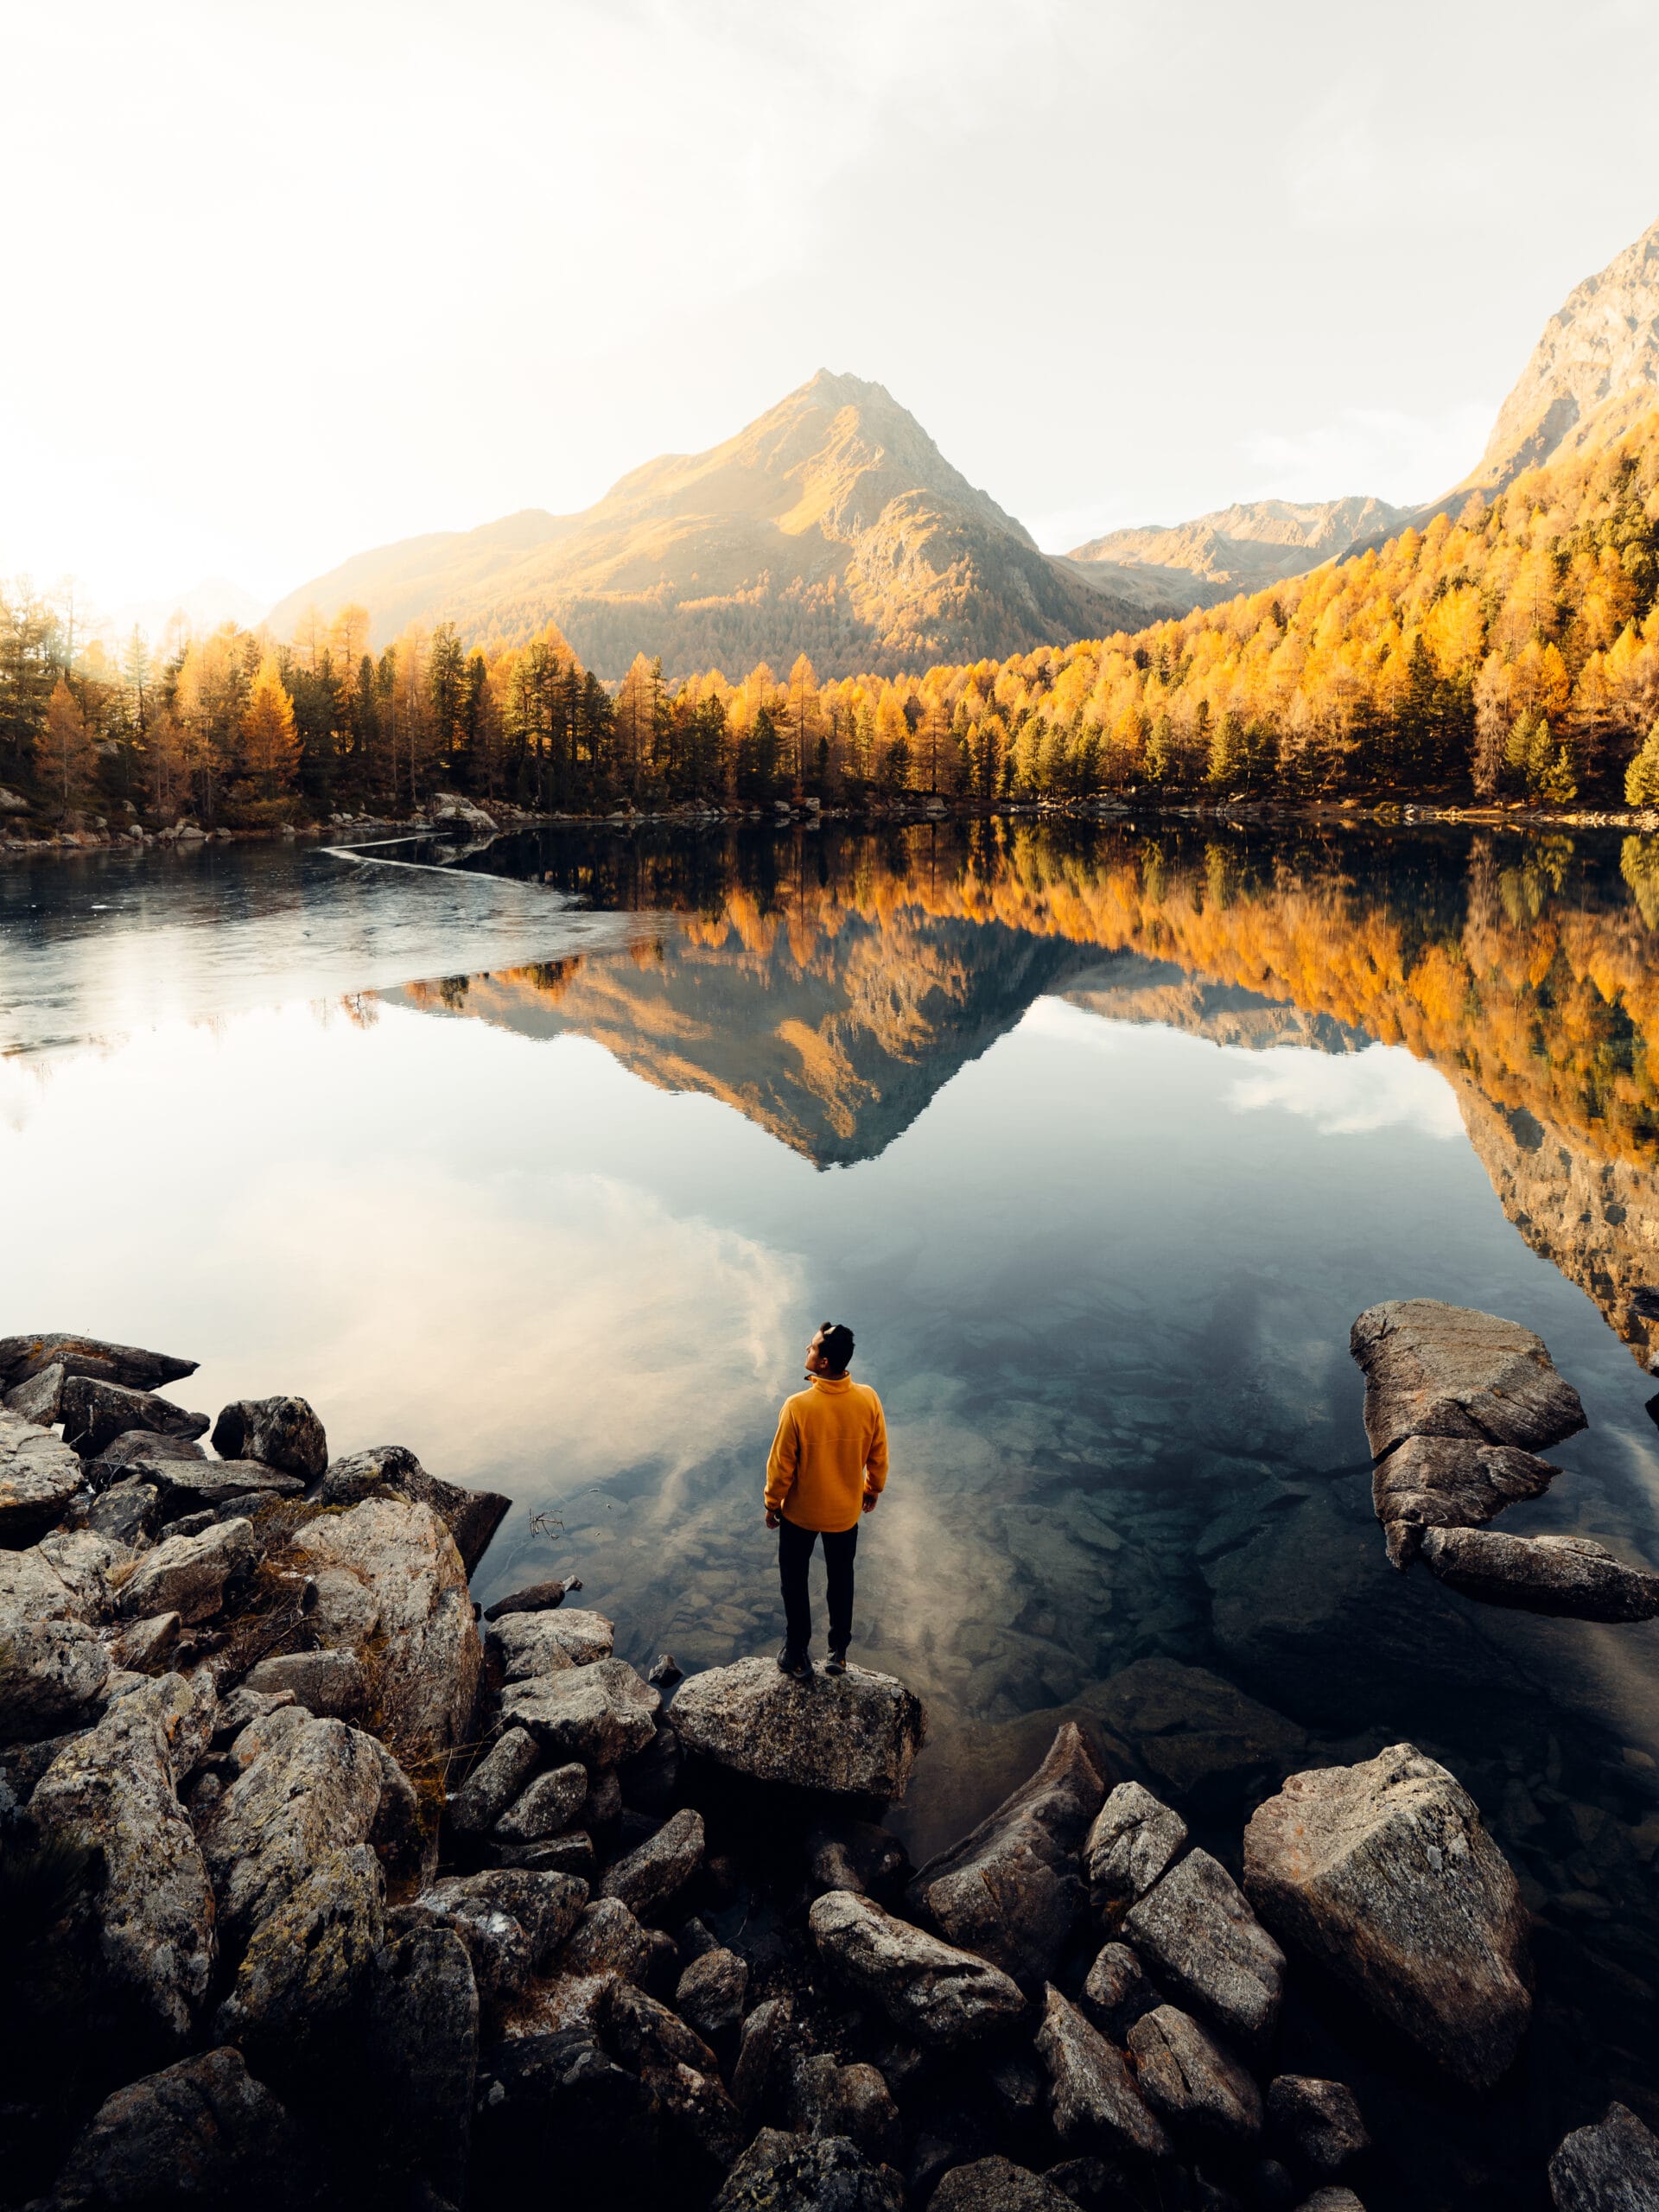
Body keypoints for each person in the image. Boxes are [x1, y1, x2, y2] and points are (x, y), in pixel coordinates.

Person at [764, 1319, 887, 1681]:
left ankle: (798, 1653)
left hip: (801, 1515)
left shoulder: (798, 1407)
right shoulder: (868, 1398)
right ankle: (839, 1652)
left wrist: (773, 1504)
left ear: (823, 1364)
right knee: (841, 1579)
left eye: (813, 1346)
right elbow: (878, 1455)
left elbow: (780, 1467)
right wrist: (872, 1489)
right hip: (845, 1514)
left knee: (795, 1580)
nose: (807, 1348)